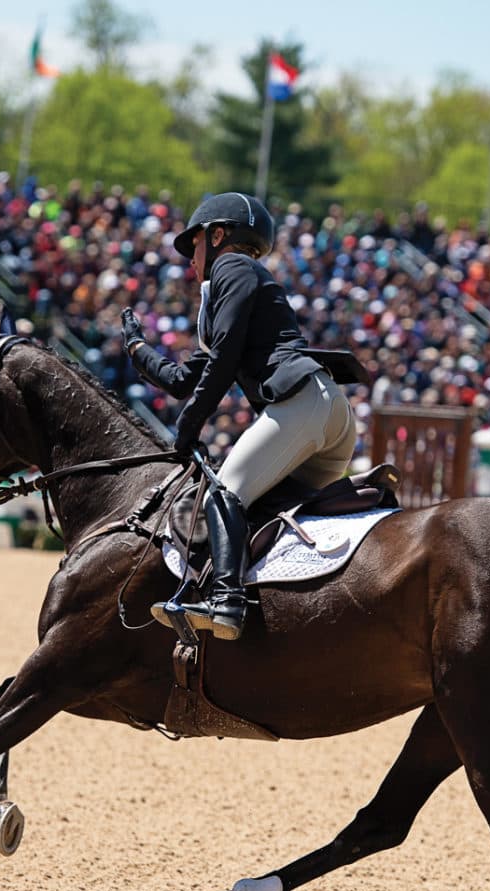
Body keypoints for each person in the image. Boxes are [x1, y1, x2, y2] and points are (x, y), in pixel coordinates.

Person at [123, 192, 362, 640]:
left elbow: (224, 358)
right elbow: (183, 379)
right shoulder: (237, 286)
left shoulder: (232, 266)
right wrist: (138, 350)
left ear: (217, 236)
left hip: (301, 403)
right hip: (328, 413)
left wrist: (188, 425)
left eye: (194, 244)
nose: (190, 259)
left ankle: (227, 603)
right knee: (267, 516)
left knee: (223, 495)